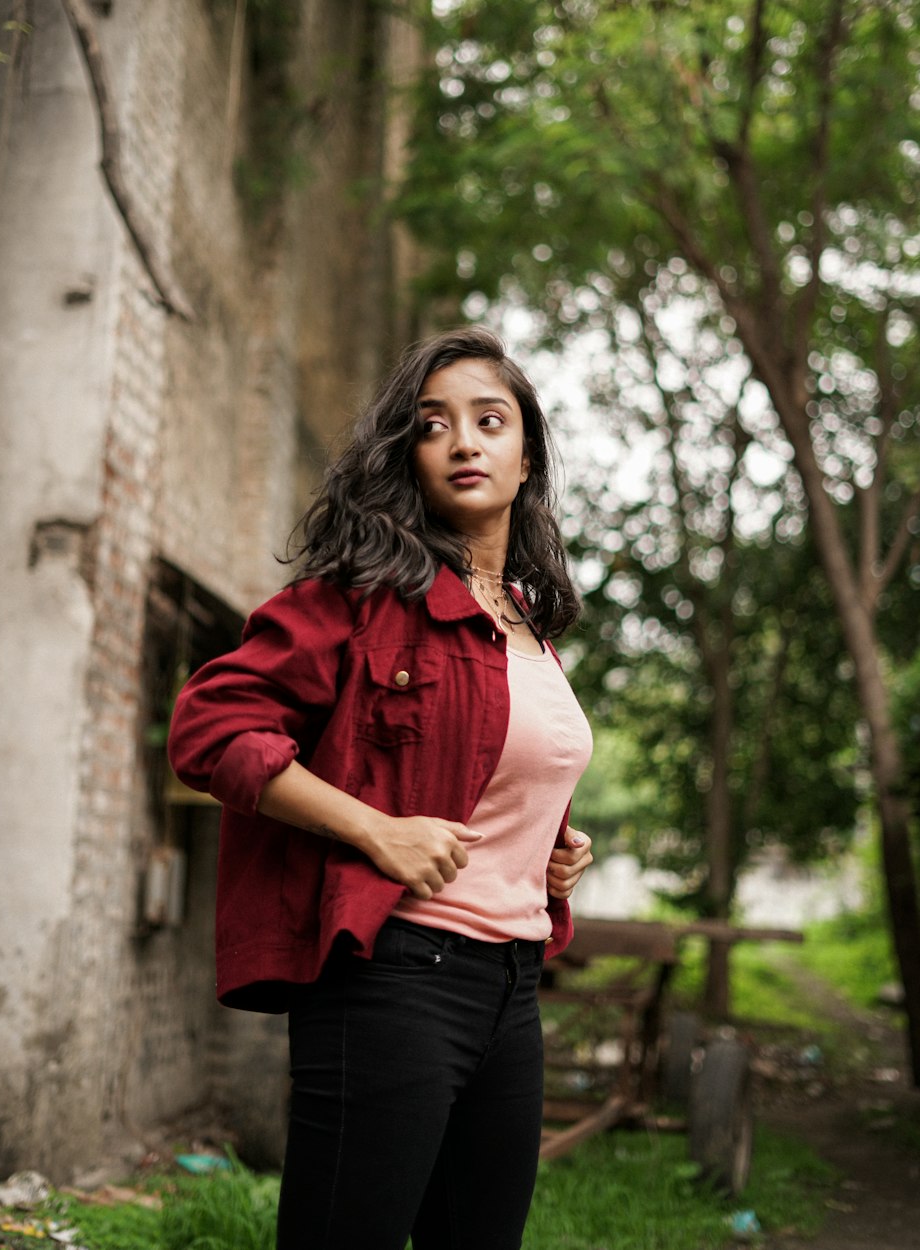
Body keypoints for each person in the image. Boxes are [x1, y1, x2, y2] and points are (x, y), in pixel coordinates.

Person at [167, 327, 594, 1250]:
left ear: (529, 459)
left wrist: (551, 854)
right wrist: (375, 830)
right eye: (435, 425)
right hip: (394, 977)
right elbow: (210, 729)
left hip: (512, 988)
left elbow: (486, 768)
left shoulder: (528, 624)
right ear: (410, 456)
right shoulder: (362, 597)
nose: (465, 441)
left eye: (491, 420)